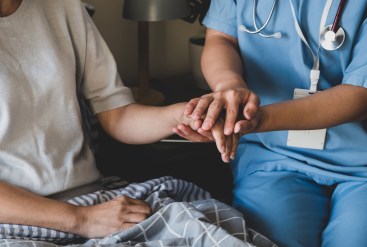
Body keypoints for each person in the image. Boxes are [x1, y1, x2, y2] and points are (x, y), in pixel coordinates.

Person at [0, 0, 237, 239]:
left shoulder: (63, 6)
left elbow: (118, 115)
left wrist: (183, 115)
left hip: (96, 200)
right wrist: (81, 219)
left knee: (216, 230)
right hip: (17, 221)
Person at [177, 0, 367, 246]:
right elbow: (221, 39)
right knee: (273, 239)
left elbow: (361, 95)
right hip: (272, 155)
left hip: (362, 165)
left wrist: (258, 119)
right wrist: (229, 85)